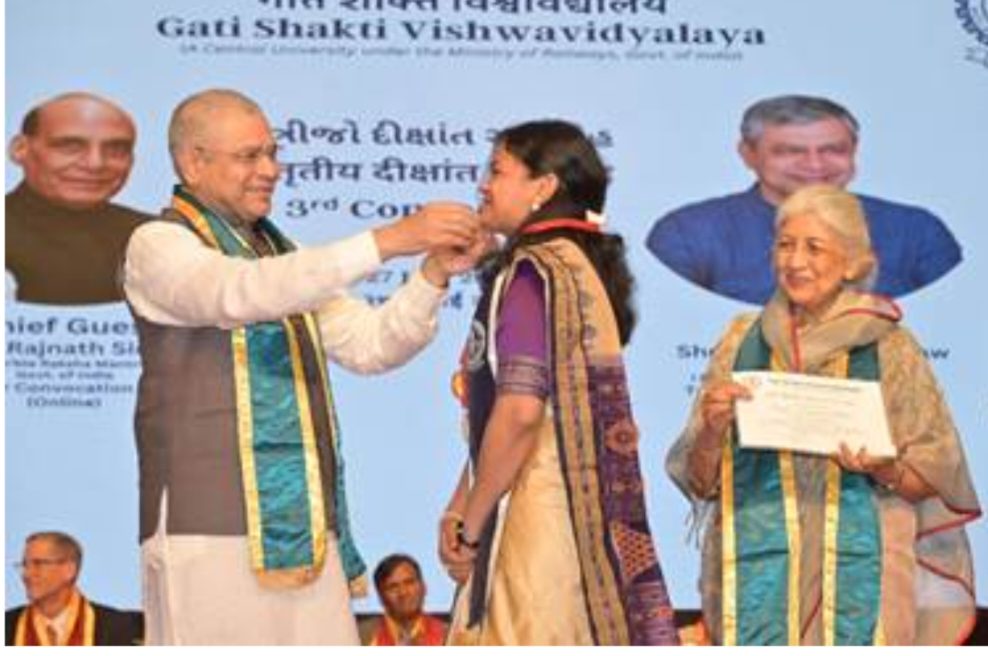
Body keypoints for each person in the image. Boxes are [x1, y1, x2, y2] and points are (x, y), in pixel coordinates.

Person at [122, 88, 483, 646]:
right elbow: (235, 293)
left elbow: (370, 345)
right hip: (207, 531)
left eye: (272, 153)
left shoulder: (280, 255)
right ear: (193, 162)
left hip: (305, 526)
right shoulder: (158, 244)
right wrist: (390, 240)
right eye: (249, 156)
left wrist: (432, 274)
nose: (270, 170)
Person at [666, 184, 981, 645]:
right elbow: (701, 482)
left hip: (868, 575)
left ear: (853, 262)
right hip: (757, 577)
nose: (795, 261)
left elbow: (934, 474)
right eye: (785, 245)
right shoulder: (739, 341)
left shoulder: (890, 347)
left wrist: (885, 469)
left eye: (814, 247)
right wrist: (712, 431)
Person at [440, 120, 679, 646]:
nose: (483, 185)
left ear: (543, 187)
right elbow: (505, 417)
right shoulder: (575, 267)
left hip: (532, 519)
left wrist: (471, 525)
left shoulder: (533, 273)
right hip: (571, 517)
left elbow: (521, 414)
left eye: (497, 171)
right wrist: (460, 502)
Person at [645, 95, 962, 304]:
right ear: (748, 154)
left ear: (854, 151)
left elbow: (953, 321)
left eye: (832, 150)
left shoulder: (917, 231)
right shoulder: (688, 232)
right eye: (790, 151)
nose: (814, 165)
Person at [6, 92, 150, 305]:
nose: (95, 164)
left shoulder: (157, 236)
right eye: (70, 146)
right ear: (20, 149)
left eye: (116, 149)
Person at [5, 532, 142, 646]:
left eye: (38, 564)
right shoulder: (7, 627)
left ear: (69, 570)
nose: (26, 574)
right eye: (24, 565)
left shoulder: (119, 628)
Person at [363, 554, 446, 646]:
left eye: (409, 583)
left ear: (424, 587)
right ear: (380, 597)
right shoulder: (361, 636)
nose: (403, 593)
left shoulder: (448, 634)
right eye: (393, 587)